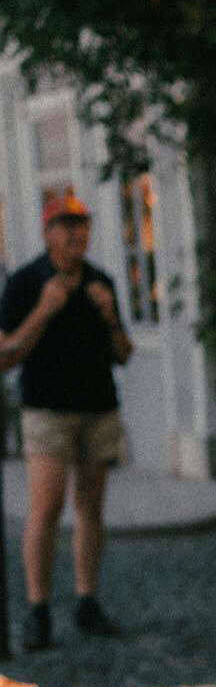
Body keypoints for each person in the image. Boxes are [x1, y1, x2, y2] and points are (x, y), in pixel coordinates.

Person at [0, 193, 133, 652]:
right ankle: (38, 610)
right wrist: (44, 310)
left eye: (82, 224)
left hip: (98, 406)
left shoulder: (101, 281)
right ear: (47, 232)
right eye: (66, 224)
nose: (77, 233)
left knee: (91, 507)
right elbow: (5, 355)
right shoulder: (24, 283)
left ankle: (86, 600)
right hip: (46, 410)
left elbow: (124, 354)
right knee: (48, 506)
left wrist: (111, 317)